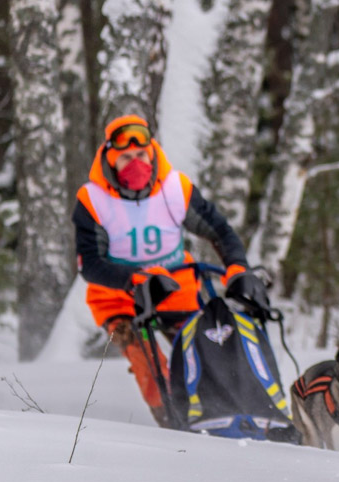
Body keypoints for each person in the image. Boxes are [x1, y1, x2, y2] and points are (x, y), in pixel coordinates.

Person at [72, 114, 269, 428]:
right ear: (110, 160)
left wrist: (236, 267)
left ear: (152, 153)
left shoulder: (176, 188)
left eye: (141, 154)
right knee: (148, 364)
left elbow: (220, 230)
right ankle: (173, 424)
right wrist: (133, 279)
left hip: (178, 291)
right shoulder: (93, 200)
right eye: (126, 158)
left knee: (208, 351)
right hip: (121, 299)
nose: (136, 163)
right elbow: (90, 265)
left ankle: (231, 417)